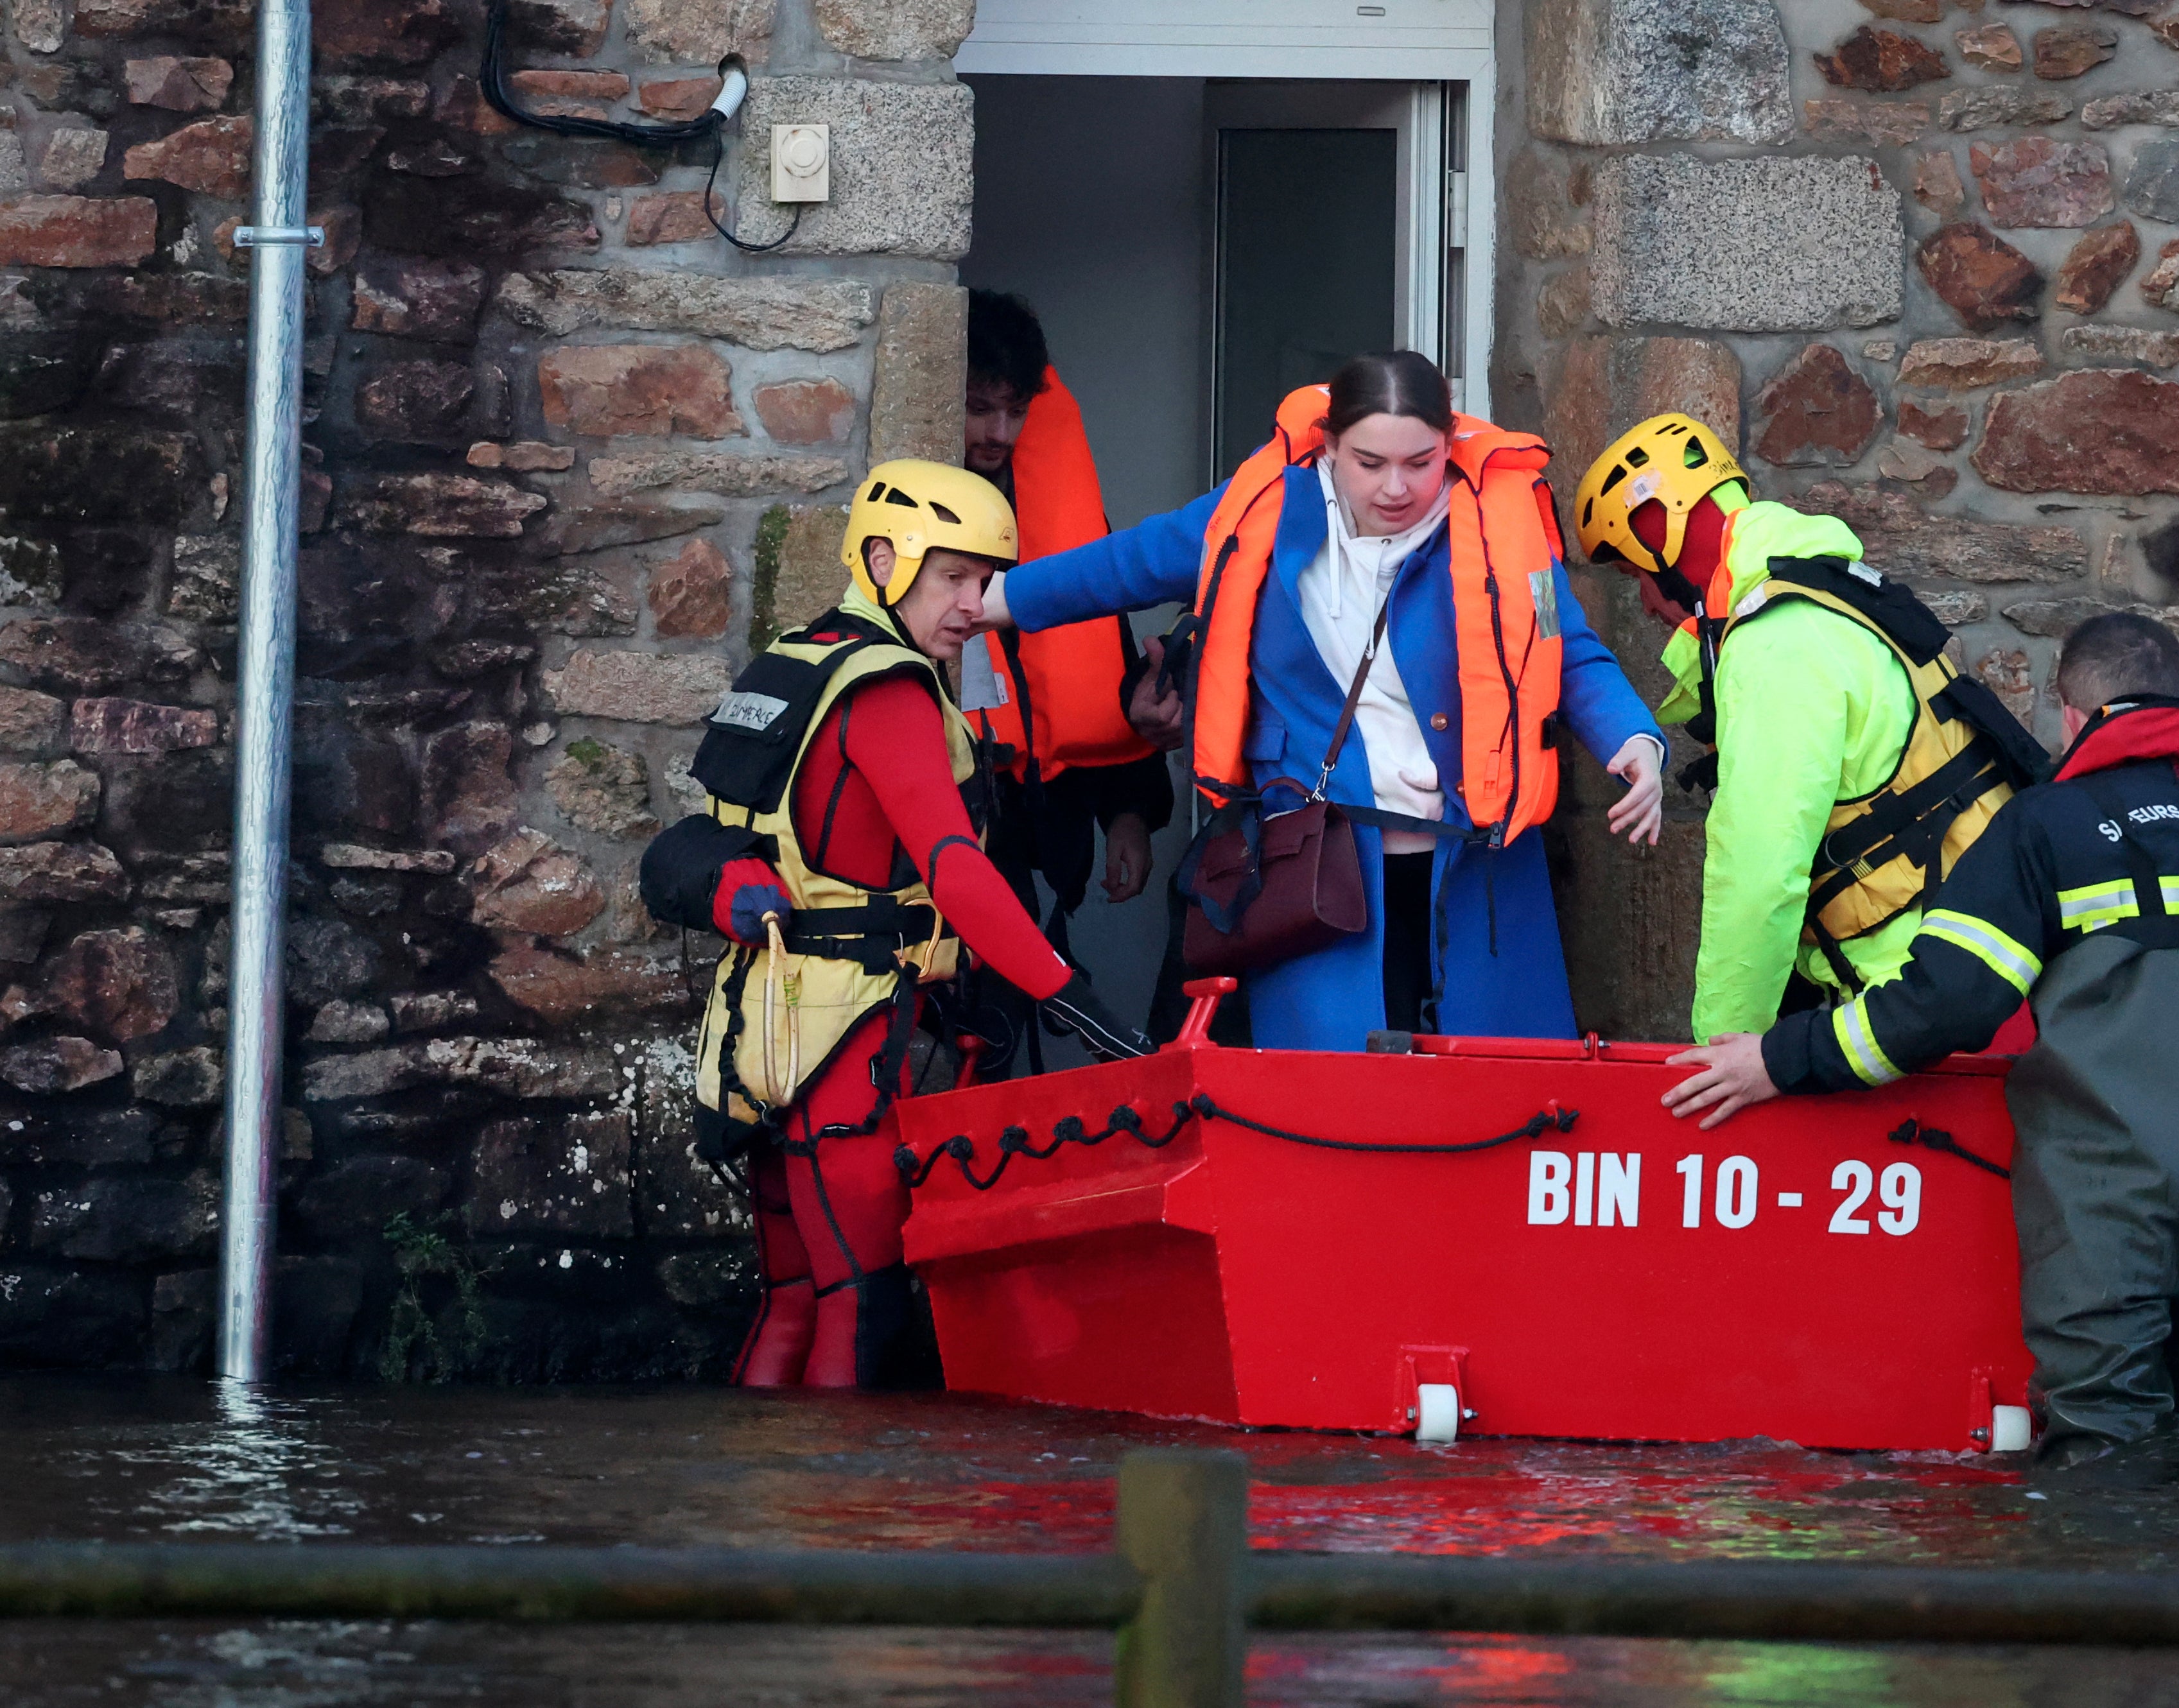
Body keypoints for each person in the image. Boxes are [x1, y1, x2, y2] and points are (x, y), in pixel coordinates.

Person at [1661, 613, 2179, 1462]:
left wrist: (1779, 1058)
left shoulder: (2047, 826)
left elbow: (1946, 1004)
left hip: (2122, 1175)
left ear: (2070, 714)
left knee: (2106, 1448)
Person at [981, 351, 1667, 1050]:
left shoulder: (1508, 535)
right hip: (1322, 870)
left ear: (1449, 446)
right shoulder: (1257, 513)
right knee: (1336, 1095)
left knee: (1494, 1093)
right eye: (1370, 463)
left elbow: (1567, 651)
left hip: (1477, 867)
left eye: (1420, 462)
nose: (1396, 486)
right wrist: (989, 602)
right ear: (1330, 445)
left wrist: (1633, 742)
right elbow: (1126, 565)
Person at [640, 459, 1149, 1390]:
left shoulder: (797, 657)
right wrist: (1076, 1000)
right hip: (851, 1040)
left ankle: (756, 1513)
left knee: (791, 1295)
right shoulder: (889, 690)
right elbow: (954, 868)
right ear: (884, 558)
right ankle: (853, 1522)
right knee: (861, 1300)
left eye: (988, 581)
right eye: (954, 577)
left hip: (764, 1028)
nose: (975, 604)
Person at [1568, 414, 2047, 1046]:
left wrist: (1722, 1053)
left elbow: (1759, 874)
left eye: (1638, 579)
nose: (1648, 607)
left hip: (1921, 1003)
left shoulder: (1777, 644)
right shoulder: (1828, 595)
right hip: (1977, 970)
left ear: (1670, 548)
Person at [953, 291, 1177, 1073]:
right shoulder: (909, 516)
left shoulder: (1061, 508)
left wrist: (1128, 815)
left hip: (1029, 806)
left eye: (1014, 411)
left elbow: (1100, 656)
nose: (998, 434)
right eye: (980, 410)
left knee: (1007, 1017)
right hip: (950, 808)